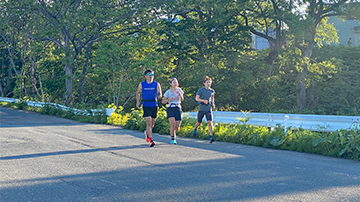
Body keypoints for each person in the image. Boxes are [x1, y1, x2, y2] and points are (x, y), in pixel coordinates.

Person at [136, 69, 162, 147]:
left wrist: (160, 95)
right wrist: (137, 102)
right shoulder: (142, 84)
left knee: (152, 123)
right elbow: (138, 92)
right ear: (146, 76)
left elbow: (160, 92)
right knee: (149, 122)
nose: (151, 77)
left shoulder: (156, 84)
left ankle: (147, 133)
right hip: (146, 104)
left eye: (152, 75)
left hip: (154, 104)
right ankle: (151, 140)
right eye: (149, 75)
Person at [192, 76, 216, 143]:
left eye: (209, 82)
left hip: (208, 108)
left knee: (210, 122)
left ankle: (211, 137)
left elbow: (212, 97)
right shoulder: (201, 90)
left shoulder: (212, 91)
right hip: (202, 108)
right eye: (207, 82)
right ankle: (195, 129)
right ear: (204, 83)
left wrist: (213, 103)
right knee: (199, 123)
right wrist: (203, 101)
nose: (208, 84)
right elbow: (196, 98)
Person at [162, 78, 184, 145]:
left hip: (177, 108)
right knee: (172, 123)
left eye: (176, 82)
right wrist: (169, 100)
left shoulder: (179, 90)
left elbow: (182, 99)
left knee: (177, 127)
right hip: (170, 108)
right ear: (171, 84)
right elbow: (163, 101)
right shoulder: (168, 92)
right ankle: (172, 138)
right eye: (173, 82)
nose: (175, 84)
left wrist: (180, 94)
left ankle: (173, 133)